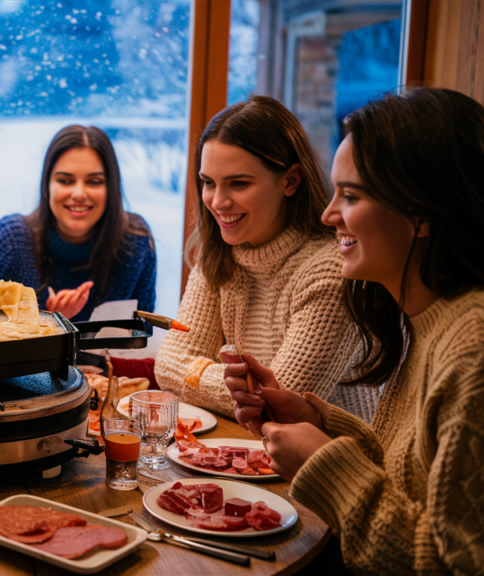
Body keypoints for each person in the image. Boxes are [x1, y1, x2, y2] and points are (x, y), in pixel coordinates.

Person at [227, 88, 484, 575]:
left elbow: (453, 566)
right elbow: (407, 474)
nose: (328, 215)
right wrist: (318, 421)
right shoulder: (427, 321)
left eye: (351, 195)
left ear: (423, 212)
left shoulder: (472, 348)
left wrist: (326, 463)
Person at [154, 96, 377, 420]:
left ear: (291, 181)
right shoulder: (221, 253)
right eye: (208, 183)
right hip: (252, 449)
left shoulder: (332, 270)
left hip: (331, 460)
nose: (217, 202)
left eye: (238, 184)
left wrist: (207, 371)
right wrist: (237, 383)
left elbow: (279, 402)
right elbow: (168, 364)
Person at [0, 125, 156, 322]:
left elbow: (140, 339)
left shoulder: (135, 242)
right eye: (65, 181)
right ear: (47, 185)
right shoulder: (7, 241)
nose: (79, 194)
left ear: (111, 188)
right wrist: (50, 322)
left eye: (94, 182)